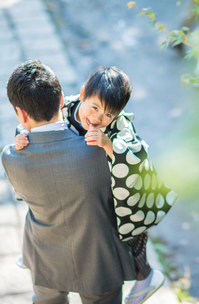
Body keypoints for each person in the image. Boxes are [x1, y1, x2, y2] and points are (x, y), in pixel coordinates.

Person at [14, 66, 176, 304]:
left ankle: (145, 275)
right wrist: (22, 136)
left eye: (109, 115)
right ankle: (33, 255)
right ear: (82, 95)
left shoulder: (118, 128)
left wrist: (109, 145)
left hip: (110, 193)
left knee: (129, 227)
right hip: (70, 183)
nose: (99, 118)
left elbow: (137, 155)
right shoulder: (65, 109)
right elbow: (39, 126)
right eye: (95, 107)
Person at [1, 59, 138, 304]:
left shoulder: (12, 157)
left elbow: (22, 195)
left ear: (21, 114)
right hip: (99, 259)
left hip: (46, 258)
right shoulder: (102, 152)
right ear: (63, 100)